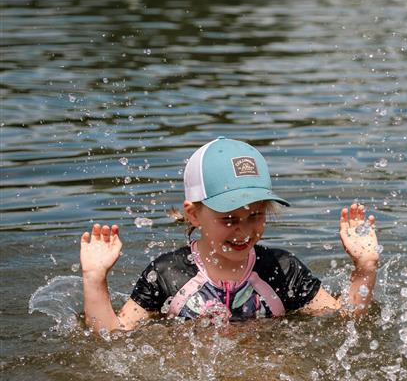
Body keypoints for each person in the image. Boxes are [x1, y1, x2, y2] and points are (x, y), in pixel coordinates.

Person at [79, 137, 380, 332]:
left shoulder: (281, 270)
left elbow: (345, 321)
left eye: (255, 215)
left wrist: (365, 268)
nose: (244, 230)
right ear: (194, 214)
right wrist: (95, 280)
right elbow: (112, 336)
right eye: (229, 218)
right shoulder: (168, 274)